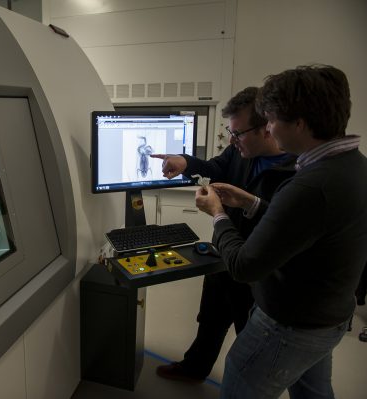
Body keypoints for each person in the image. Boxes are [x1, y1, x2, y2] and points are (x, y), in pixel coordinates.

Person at [195, 65, 367, 398]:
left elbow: (244, 266)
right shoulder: (353, 166)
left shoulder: (310, 186)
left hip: (290, 325)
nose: (270, 130)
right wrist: (252, 204)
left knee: (241, 382)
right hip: (327, 316)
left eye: (272, 121)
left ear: (299, 123)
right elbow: (306, 229)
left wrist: (218, 214)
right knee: (312, 392)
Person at [149, 87, 297, 383]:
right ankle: (194, 368)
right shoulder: (241, 152)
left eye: (238, 133)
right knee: (211, 320)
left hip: (258, 267)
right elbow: (215, 168)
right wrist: (186, 163)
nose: (231, 140)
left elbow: (286, 228)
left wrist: (227, 211)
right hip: (225, 252)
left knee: (249, 332)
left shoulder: (295, 171)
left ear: (266, 129)